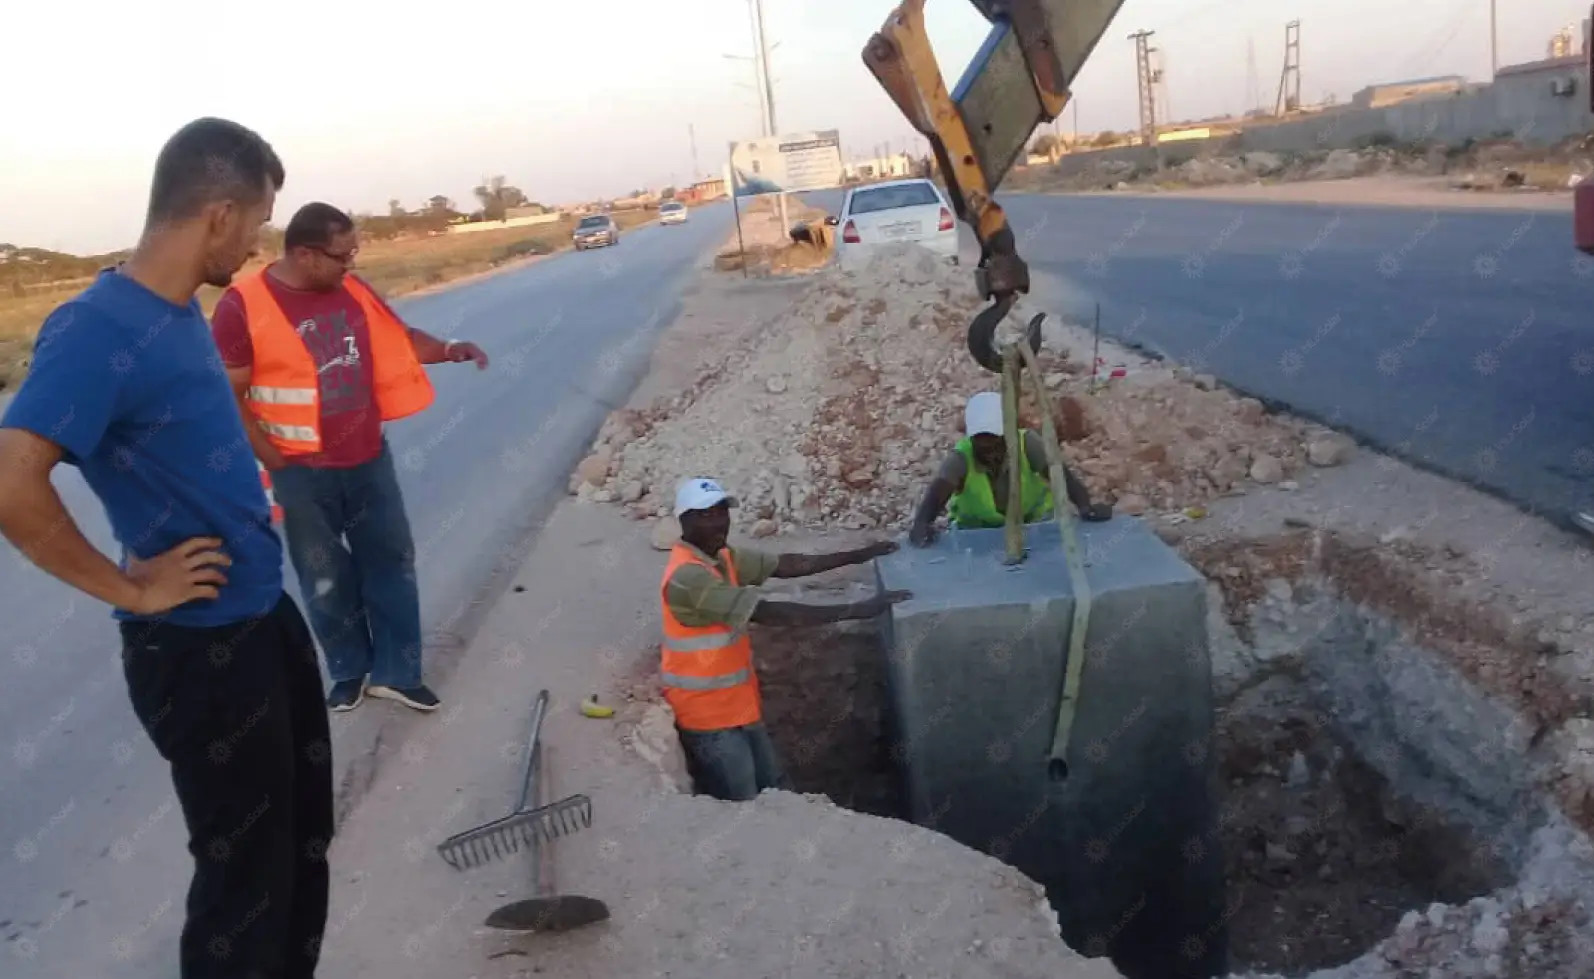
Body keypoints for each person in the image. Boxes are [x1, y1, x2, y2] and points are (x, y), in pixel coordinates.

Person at [0, 118, 332, 979]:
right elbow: (12, 481)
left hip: (261, 615)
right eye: (258, 222)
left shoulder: (181, 312)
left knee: (298, 844)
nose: (259, 242)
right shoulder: (96, 327)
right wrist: (131, 587)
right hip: (201, 648)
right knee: (242, 883)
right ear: (219, 213)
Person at [210, 202, 489, 714]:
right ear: (304, 254)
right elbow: (226, 393)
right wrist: (273, 458)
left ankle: (398, 673)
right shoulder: (242, 305)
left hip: (367, 458)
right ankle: (348, 670)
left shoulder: (353, 291)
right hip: (298, 470)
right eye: (342, 256)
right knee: (324, 576)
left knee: (390, 562)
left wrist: (450, 348)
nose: (351, 265)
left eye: (354, 253)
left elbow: (400, 340)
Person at [661, 477, 912, 801]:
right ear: (685, 521)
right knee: (743, 800)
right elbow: (770, 613)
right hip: (708, 718)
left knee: (778, 789)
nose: (720, 522)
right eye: (707, 515)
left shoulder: (721, 557)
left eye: (722, 512)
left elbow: (786, 565)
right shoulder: (689, 577)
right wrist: (859, 608)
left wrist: (861, 554)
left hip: (738, 706)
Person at [909, 391, 1112, 546]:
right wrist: (922, 524)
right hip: (978, 535)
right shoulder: (961, 458)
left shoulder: (1028, 443)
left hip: (1033, 525)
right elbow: (937, 493)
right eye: (982, 445)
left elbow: (1061, 476)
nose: (990, 452)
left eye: (995, 443)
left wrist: (1085, 506)